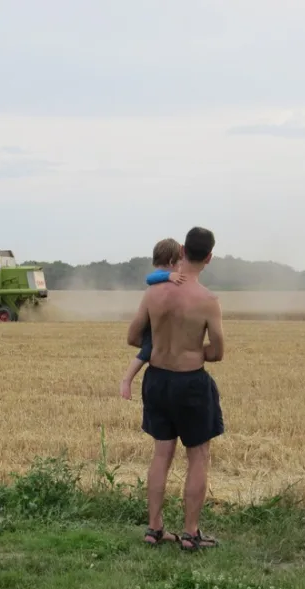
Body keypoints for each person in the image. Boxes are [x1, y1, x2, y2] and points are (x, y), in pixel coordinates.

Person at [126, 226, 225, 552]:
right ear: (209, 257)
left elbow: (133, 337)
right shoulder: (208, 301)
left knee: (161, 454)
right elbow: (218, 352)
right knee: (198, 456)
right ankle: (190, 533)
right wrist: (194, 351)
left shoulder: (154, 292)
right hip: (190, 384)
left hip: (156, 380)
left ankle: (154, 529)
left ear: (182, 250)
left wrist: (161, 348)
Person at [119, 239, 185, 400]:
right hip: (153, 328)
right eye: (179, 262)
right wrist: (169, 276)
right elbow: (150, 278)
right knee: (147, 351)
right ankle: (126, 380)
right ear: (171, 262)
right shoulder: (158, 278)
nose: (180, 267)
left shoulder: (165, 280)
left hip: (159, 328)